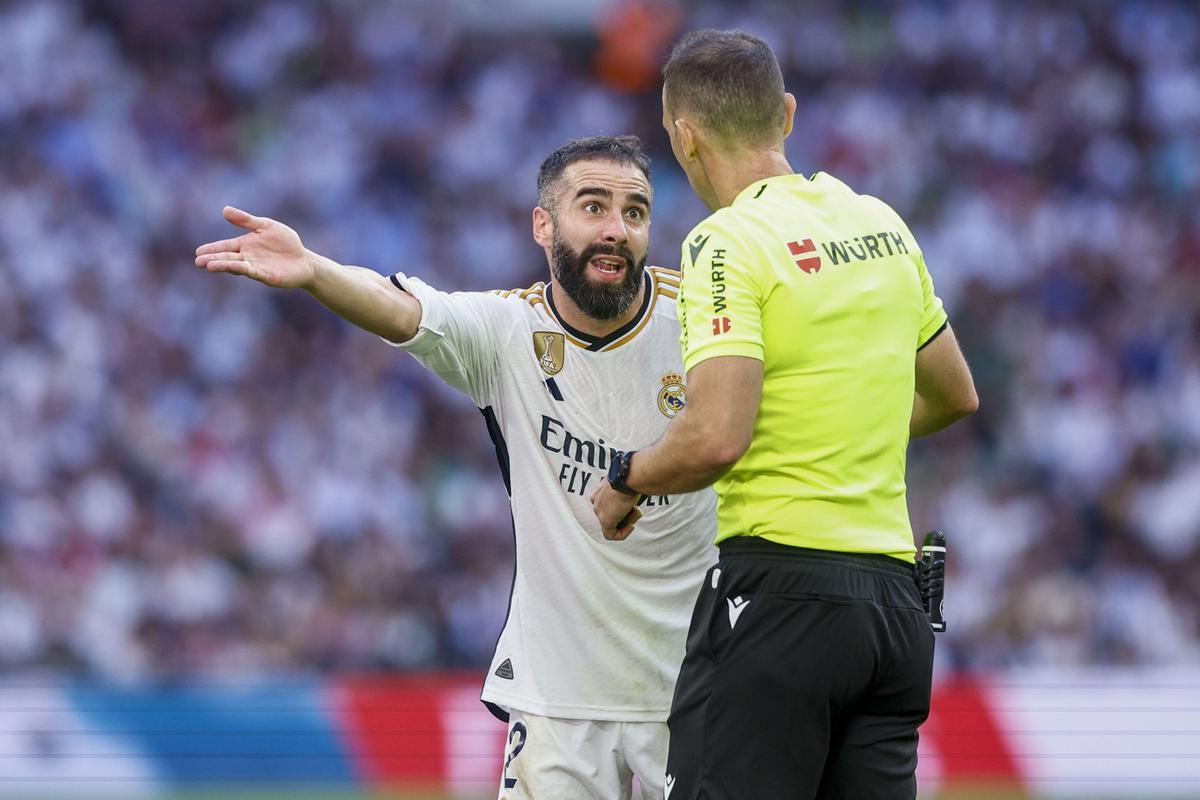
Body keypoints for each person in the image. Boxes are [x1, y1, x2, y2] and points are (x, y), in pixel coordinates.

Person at [193, 135, 717, 800]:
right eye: (593, 207)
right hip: (557, 694)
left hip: (696, 687)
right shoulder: (506, 332)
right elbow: (402, 309)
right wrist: (314, 269)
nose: (617, 230)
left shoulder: (703, 322)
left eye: (636, 213)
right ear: (544, 224)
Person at [590, 30, 979, 800]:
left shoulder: (727, 242)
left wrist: (626, 479)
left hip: (778, 603)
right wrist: (840, 420)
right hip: (895, 614)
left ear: (684, 136)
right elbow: (954, 393)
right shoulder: (882, 225)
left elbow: (716, 436)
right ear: (789, 115)